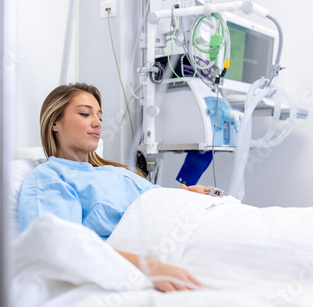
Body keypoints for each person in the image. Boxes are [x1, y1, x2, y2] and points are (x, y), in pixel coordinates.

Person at [18, 83, 210, 292]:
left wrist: (187, 196)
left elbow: (153, 201)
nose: (98, 123)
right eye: (85, 114)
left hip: (198, 223)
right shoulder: (50, 177)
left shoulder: (116, 171)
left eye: (100, 117)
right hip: (171, 248)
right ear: (54, 122)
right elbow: (57, 245)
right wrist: (149, 267)